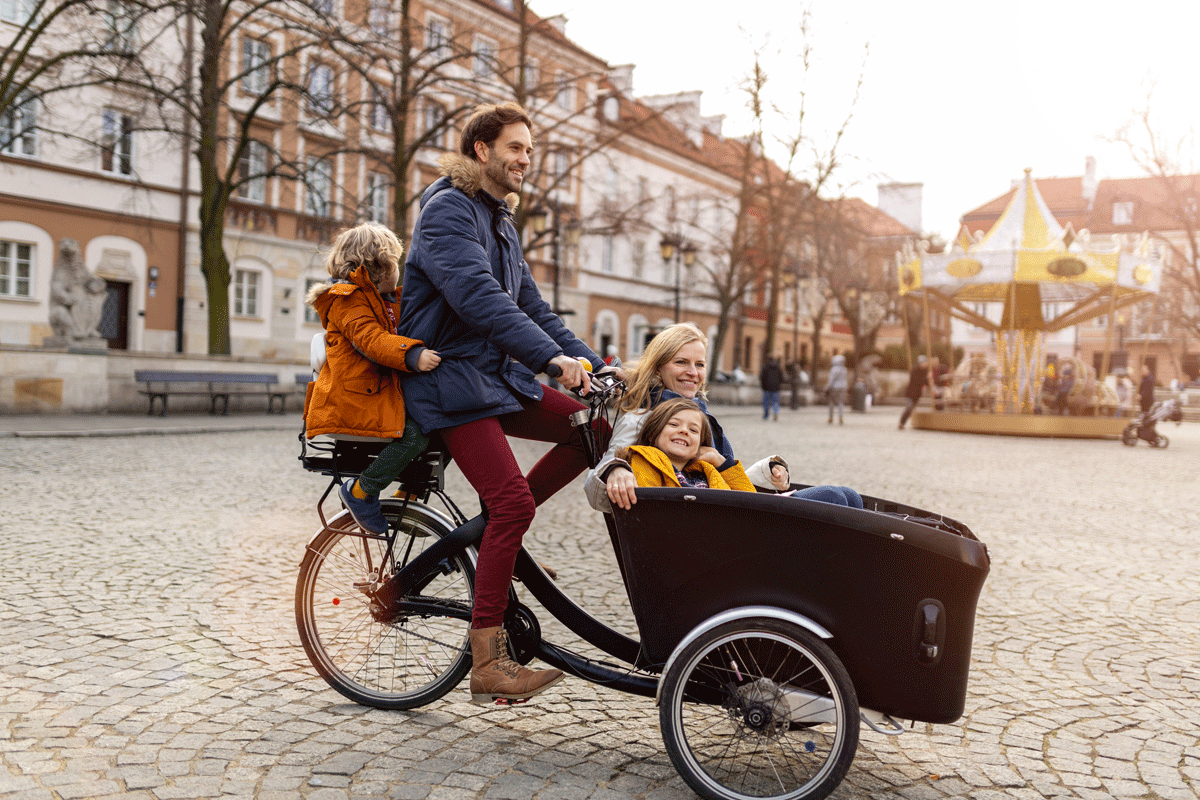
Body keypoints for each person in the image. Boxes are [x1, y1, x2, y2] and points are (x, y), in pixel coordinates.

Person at [399, 102, 608, 705]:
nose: (526, 159)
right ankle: (487, 662)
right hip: (447, 383)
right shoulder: (446, 211)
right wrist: (551, 362)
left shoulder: (500, 222)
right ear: (482, 150)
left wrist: (596, 363)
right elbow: (479, 300)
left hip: (488, 377)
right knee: (514, 503)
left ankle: (498, 528)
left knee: (584, 428)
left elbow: (535, 309)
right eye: (516, 148)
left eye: (530, 150)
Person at [304, 222, 440, 535]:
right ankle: (362, 490)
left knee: (443, 419)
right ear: (376, 268)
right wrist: (412, 354)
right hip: (354, 401)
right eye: (395, 264)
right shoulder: (348, 300)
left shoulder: (383, 300)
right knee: (417, 434)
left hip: (374, 394)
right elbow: (371, 340)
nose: (399, 271)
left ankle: (410, 493)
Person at [585, 323, 789, 513]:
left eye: (699, 365)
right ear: (658, 367)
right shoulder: (642, 415)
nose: (692, 372)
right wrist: (615, 469)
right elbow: (599, 490)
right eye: (681, 362)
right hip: (698, 528)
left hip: (717, 517)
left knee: (819, 497)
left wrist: (767, 472)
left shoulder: (698, 414)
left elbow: (717, 484)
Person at [593, 398, 862, 511]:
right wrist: (617, 465)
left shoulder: (703, 469)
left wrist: (722, 464)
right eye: (673, 425)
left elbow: (747, 498)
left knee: (851, 496)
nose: (683, 432)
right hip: (726, 537)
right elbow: (653, 513)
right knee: (834, 496)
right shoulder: (645, 459)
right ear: (653, 434)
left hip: (741, 524)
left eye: (693, 430)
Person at [898, 355, 928, 429]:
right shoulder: (914, 370)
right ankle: (901, 422)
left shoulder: (925, 371)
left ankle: (904, 422)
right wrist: (926, 378)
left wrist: (928, 379)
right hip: (910, 393)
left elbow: (925, 383)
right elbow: (917, 381)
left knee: (911, 408)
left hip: (917, 394)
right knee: (909, 407)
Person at [824, 353, 848, 424]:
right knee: (840, 402)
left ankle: (830, 417)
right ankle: (840, 417)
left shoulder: (834, 369)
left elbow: (831, 380)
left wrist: (826, 387)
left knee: (831, 402)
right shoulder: (844, 369)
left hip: (834, 387)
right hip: (843, 387)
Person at [760, 356, 783, 420]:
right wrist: (778, 385)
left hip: (767, 388)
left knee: (766, 402)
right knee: (775, 402)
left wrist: (763, 386)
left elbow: (762, 378)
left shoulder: (765, 367)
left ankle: (766, 414)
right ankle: (775, 412)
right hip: (776, 388)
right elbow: (781, 378)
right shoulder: (778, 368)